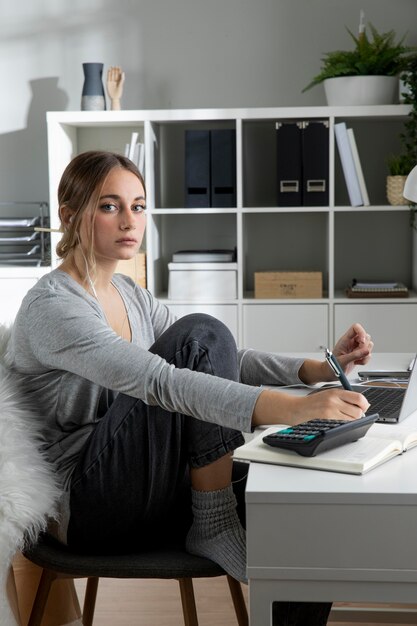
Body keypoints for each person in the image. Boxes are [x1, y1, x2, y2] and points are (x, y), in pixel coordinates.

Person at [6, 151, 372, 624]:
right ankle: (215, 521)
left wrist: (314, 370)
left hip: (148, 482)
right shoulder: (53, 306)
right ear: (70, 214)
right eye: (110, 205)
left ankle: (221, 525)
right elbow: (163, 382)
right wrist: (291, 409)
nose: (129, 221)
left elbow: (220, 360)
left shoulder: (130, 295)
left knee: (300, 508)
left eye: (138, 206)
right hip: (88, 504)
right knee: (201, 331)